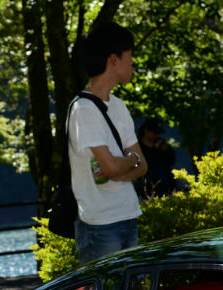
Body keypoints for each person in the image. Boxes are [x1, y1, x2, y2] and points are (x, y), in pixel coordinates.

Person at [68, 21, 147, 262]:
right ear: (113, 60)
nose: (132, 63)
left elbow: (143, 166)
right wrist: (130, 160)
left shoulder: (119, 106)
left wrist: (127, 162)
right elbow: (113, 169)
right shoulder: (84, 110)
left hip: (128, 214)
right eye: (129, 57)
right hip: (100, 224)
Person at [138, 116, 177, 198]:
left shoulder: (161, 143)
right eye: (154, 132)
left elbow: (172, 161)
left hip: (166, 183)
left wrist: (167, 151)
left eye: (157, 133)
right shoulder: (138, 146)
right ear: (146, 130)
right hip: (146, 185)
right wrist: (155, 150)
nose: (156, 135)